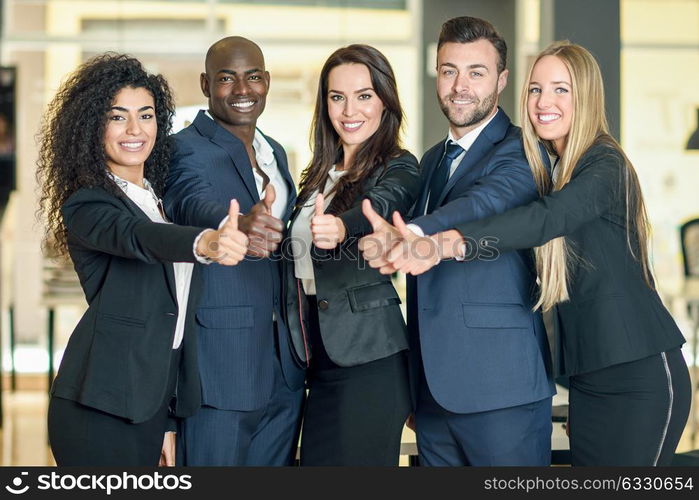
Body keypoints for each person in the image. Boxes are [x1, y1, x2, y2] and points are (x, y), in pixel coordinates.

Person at [380, 41, 692, 466]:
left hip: (637, 371)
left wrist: (445, 243)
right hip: (586, 378)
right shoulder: (550, 168)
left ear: (585, 96)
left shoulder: (604, 163)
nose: (544, 102)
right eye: (535, 90)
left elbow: (545, 219)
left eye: (561, 90)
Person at [359, 16, 555, 466]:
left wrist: (416, 231)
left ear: (502, 80)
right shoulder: (432, 160)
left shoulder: (524, 150)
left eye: (476, 72)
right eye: (449, 71)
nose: (460, 85)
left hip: (500, 390)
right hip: (432, 396)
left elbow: (484, 201)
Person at [37, 53, 248, 466]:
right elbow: (137, 237)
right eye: (117, 117)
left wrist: (167, 419)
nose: (135, 130)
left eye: (146, 115)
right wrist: (205, 242)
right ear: (91, 127)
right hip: (99, 407)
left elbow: (173, 321)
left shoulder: (157, 200)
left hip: (149, 406)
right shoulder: (87, 203)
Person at [163, 36, 305, 466]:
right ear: (206, 84)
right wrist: (237, 223)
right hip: (221, 368)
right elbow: (189, 200)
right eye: (227, 79)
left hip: (285, 368)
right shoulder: (182, 148)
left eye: (253, 77)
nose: (243, 90)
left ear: (266, 81)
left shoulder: (274, 151)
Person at [283, 44, 420, 466]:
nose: (349, 110)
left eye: (364, 95)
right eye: (337, 97)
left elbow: (382, 202)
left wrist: (342, 226)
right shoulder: (316, 176)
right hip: (316, 358)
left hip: (368, 359)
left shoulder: (399, 165)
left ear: (384, 100)